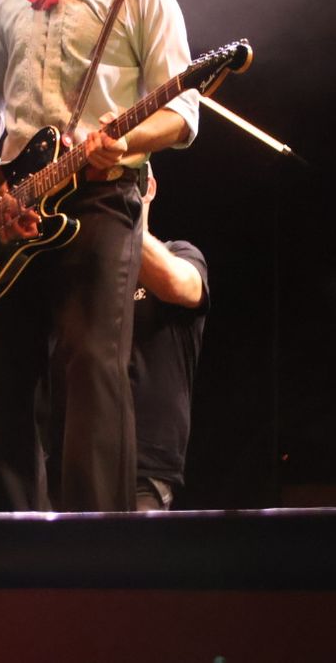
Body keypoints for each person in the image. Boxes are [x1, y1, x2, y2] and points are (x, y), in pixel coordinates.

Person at [0, 0, 197, 512]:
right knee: (0, 380)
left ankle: (94, 550)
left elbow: (182, 110)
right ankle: (3, 553)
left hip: (98, 198)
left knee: (90, 366)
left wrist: (122, 142)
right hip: (15, 205)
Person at [129, 176, 210, 511]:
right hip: (76, 456)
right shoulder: (86, 268)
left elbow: (178, 285)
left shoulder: (183, 254)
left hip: (143, 465)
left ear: (148, 186)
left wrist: (119, 217)